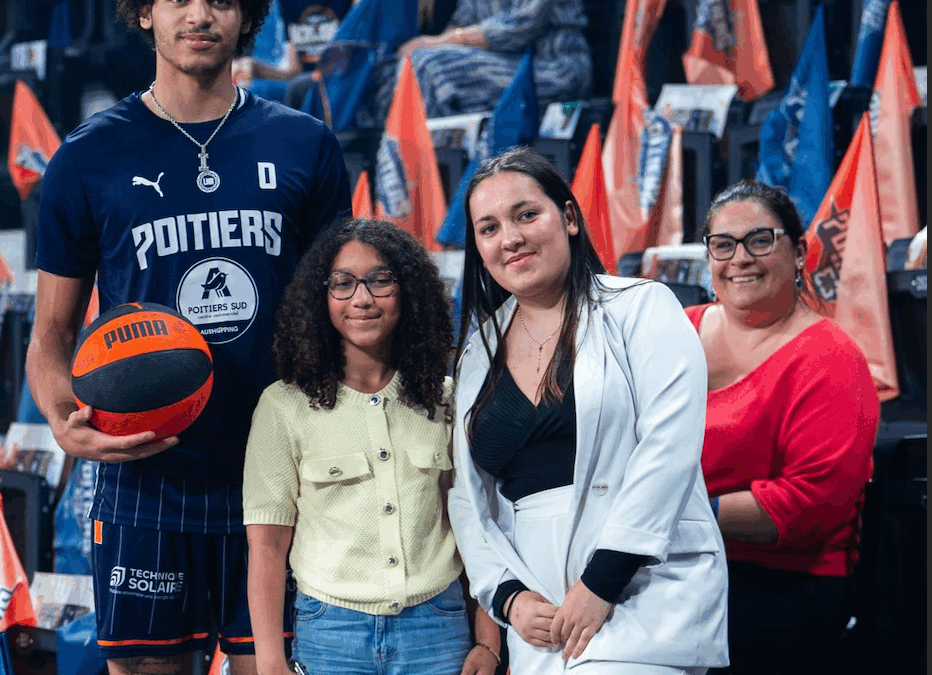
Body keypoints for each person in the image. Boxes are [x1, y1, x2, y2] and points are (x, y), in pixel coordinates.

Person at [24, 1, 352, 673]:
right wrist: (64, 419)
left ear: (247, 18)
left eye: (222, 0)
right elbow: (52, 331)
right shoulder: (87, 157)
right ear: (144, 13)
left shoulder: (304, 144)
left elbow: (341, 311)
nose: (200, 14)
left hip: (281, 475)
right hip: (144, 476)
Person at [447, 146, 729, 675]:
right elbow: (466, 494)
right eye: (488, 228)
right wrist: (506, 596)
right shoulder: (476, 352)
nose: (509, 238)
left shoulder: (642, 306)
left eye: (526, 214)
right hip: (539, 617)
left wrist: (604, 579)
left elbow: (668, 449)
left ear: (569, 218)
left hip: (643, 594)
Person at [243, 219, 500, 675]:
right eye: (343, 283)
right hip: (329, 632)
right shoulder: (283, 407)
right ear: (320, 299)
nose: (362, 299)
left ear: (409, 292)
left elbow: (479, 525)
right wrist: (269, 661)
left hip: (438, 631)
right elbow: (266, 546)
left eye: (381, 280)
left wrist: (489, 641)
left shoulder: (446, 398)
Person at [686, 181, 879, 674]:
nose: (740, 259)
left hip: (777, 583)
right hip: (671, 561)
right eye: (723, 245)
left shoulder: (832, 359)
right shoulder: (674, 331)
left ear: (798, 254)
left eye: (760, 240)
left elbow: (808, 505)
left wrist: (677, 513)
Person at [363, 0, 592, 125]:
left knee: (430, 67)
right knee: (391, 70)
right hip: (497, 64)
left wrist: (437, 43)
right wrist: (426, 45)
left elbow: (523, 24)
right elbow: (461, 23)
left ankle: (436, 173)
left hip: (553, 66)